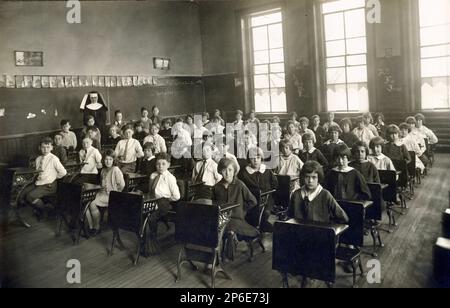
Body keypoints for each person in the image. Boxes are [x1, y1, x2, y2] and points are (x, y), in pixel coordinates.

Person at [213, 158, 259, 259]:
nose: (227, 173)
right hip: (222, 219)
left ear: (234, 171)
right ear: (220, 171)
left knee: (229, 227)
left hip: (237, 219)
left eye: (230, 170)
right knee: (216, 227)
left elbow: (253, 201)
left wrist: (242, 211)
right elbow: (214, 204)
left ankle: (222, 253)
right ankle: (215, 255)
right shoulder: (216, 187)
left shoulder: (239, 185)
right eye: (224, 170)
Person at [20, 138, 67, 213]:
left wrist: (54, 177)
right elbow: (37, 172)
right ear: (39, 148)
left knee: (30, 196)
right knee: (21, 193)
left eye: (48, 147)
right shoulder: (38, 159)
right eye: (43, 147)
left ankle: (44, 210)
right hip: (39, 183)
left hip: (49, 186)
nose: (45, 149)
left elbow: (63, 172)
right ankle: (38, 206)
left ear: (52, 148)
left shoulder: (53, 159)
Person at [238, 147, 278, 233]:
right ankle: (252, 228)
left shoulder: (267, 170)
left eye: (258, 158)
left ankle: (260, 226)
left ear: (261, 159)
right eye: (253, 158)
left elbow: (275, 184)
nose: (255, 160)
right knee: (247, 211)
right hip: (249, 199)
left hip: (266, 199)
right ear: (249, 160)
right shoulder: (244, 173)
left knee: (265, 212)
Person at [85, 150, 125, 236]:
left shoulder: (115, 169)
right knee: (86, 201)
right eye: (106, 159)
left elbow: (122, 184)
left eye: (110, 159)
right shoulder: (103, 170)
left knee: (92, 203)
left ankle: (96, 227)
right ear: (103, 160)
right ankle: (91, 226)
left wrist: (116, 194)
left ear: (113, 160)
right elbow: (102, 184)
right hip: (102, 194)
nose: (108, 161)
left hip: (111, 196)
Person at [147, 153, 181, 254]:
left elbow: (177, 196)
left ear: (168, 165)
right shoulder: (153, 175)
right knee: (142, 213)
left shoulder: (170, 178)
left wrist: (166, 199)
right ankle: (145, 240)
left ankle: (153, 244)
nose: (160, 166)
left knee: (151, 217)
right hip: (153, 200)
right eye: (158, 164)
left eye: (163, 164)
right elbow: (150, 191)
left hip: (164, 202)